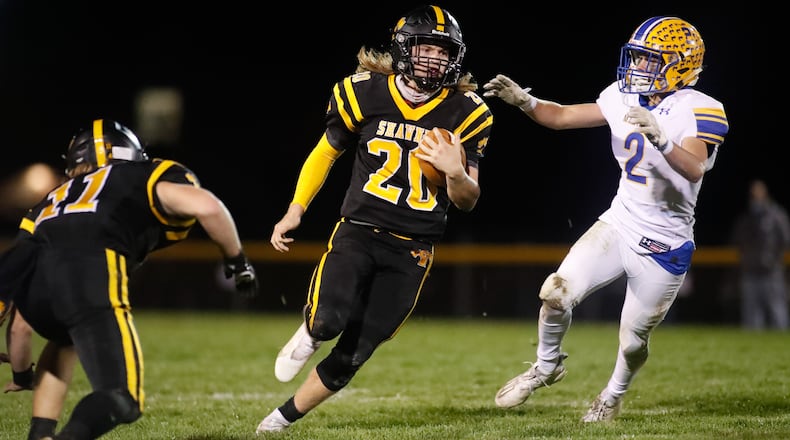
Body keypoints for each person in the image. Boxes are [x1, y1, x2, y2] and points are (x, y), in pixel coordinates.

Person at [257, 4, 492, 434]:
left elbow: (467, 201)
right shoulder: (362, 91)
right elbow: (326, 151)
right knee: (328, 320)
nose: (434, 60)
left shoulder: (468, 111)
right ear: (403, 48)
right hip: (359, 232)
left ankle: (279, 420)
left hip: (414, 248)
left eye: (444, 52)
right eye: (426, 48)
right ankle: (310, 331)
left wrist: (455, 171)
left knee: (356, 351)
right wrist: (296, 209)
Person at [482, 16, 728, 422]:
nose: (639, 67)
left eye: (652, 60)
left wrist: (663, 138)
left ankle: (612, 395)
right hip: (620, 223)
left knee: (633, 342)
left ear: (680, 65)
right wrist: (525, 102)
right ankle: (546, 366)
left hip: (665, 244)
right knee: (555, 292)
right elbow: (561, 117)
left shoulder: (701, 107)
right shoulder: (622, 95)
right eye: (639, 58)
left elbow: (694, 167)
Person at [9, 118, 259, 440]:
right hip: (91, 272)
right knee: (123, 398)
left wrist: (20, 373)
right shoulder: (139, 174)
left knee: (63, 337)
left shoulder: (47, 203)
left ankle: (40, 434)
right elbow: (207, 206)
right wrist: (237, 262)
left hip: (37, 292)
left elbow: (19, 326)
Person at [731, 179, 790, 330]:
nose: (755, 196)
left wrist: (774, 259)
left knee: (777, 311)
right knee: (751, 314)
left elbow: (785, 240)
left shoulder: (777, 216)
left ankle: (780, 345)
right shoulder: (747, 218)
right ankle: (752, 349)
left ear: (766, 194)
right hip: (750, 270)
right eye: (753, 194)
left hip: (771, 271)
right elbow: (738, 241)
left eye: (758, 193)